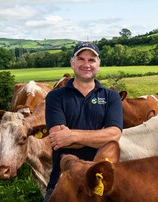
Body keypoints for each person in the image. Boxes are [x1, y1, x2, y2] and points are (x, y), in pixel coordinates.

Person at [43, 41, 123, 201]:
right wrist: (100, 138)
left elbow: (114, 135)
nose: (86, 64)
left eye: (92, 60)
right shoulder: (55, 96)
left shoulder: (111, 96)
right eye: (81, 59)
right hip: (63, 180)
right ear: (72, 63)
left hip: (101, 181)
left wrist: (72, 136)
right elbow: (58, 139)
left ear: (98, 65)